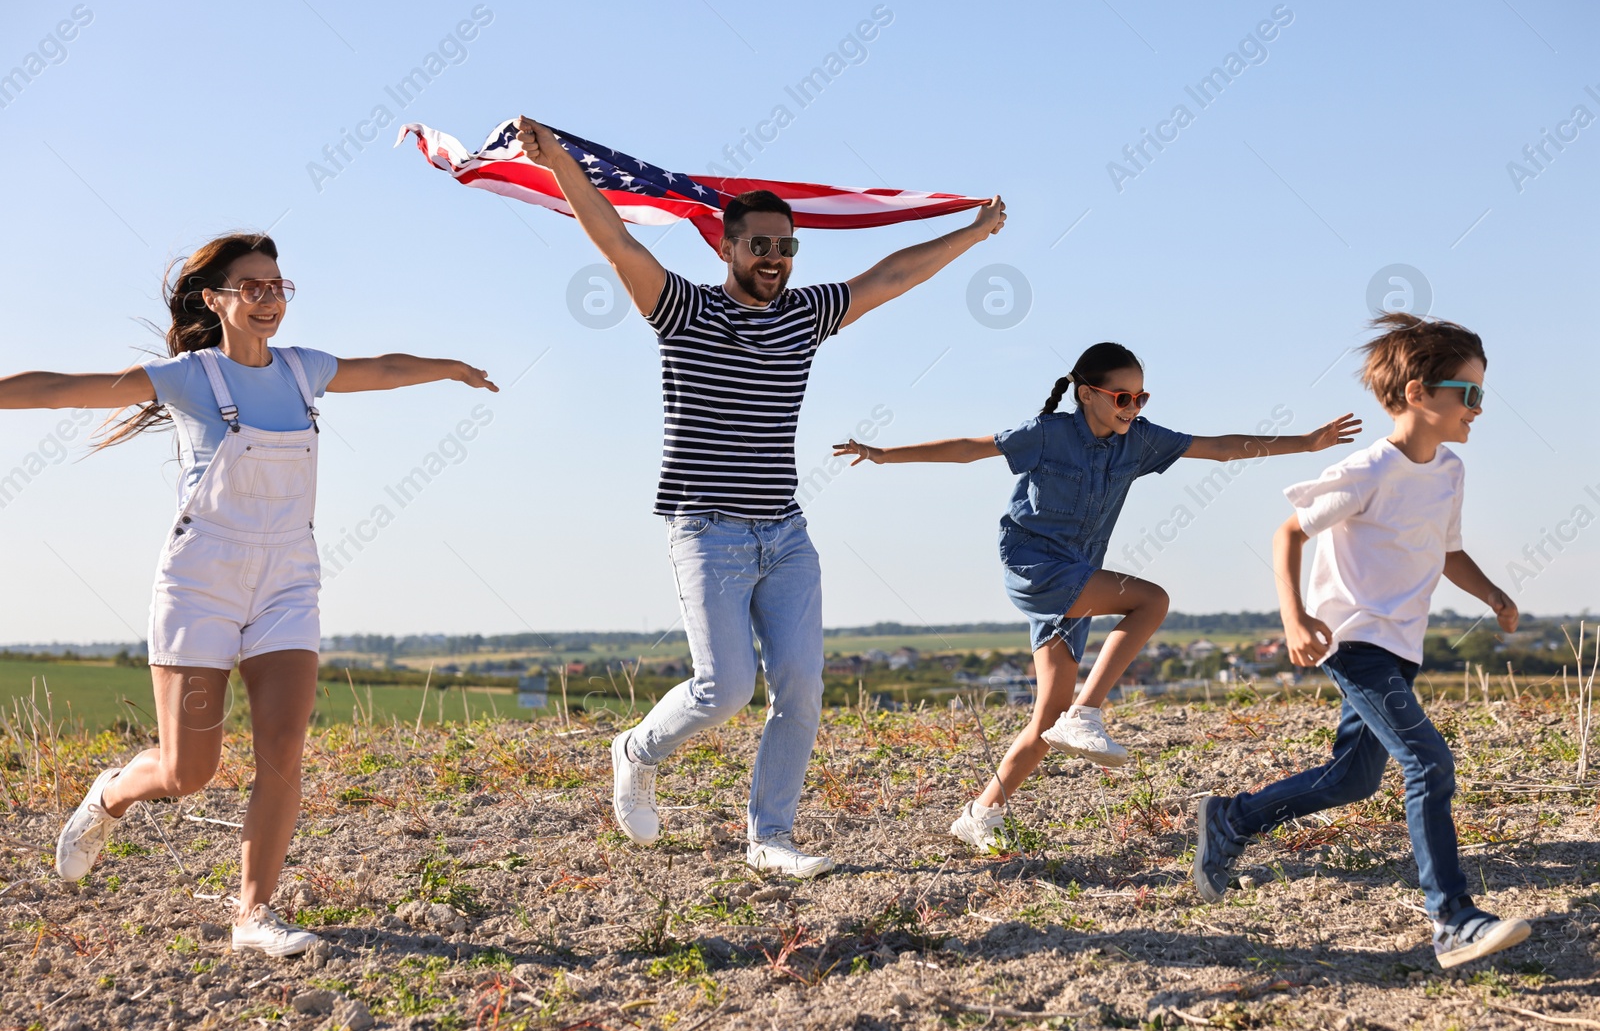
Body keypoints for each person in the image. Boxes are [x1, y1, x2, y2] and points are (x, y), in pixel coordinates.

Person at [513, 115, 1006, 878]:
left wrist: (972, 235)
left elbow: (891, 276)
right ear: (726, 246)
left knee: (801, 689)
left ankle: (770, 836)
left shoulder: (805, 316)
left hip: (786, 533)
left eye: (786, 247)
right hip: (706, 530)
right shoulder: (683, 310)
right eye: (760, 246)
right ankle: (636, 749)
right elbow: (615, 240)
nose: (774, 259)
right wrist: (559, 162)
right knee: (726, 687)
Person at [8, 232, 497, 957]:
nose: (270, 299)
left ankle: (254, 914)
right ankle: (110, 793)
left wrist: (450, 367)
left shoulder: (305, 371)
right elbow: (62, 386)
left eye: (278, 286)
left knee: (282, 751)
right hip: (200, 582)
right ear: (216, 299)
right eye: (254, 287)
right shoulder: (188, 377)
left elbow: (385, 369)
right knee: (188, 771)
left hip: (287, 582)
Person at [833, 341, 1360, 852]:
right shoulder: (1046, 433)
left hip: (1079, 575)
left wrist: (1305, 443)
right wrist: (882, 454)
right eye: (1122, 396)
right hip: (1034, 564)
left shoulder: (1142, 441)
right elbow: (971, 449)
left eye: (1141, 397)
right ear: (1088, 393)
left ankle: (981, 813)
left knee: (1047, 717)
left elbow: (1220, 448)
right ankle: (1089, 713)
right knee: (1150, 600)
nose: (1133, 406)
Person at [1193, 314, 1530, 968]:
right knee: (1427, 761)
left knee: (1351, 777)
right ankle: (1453, 917)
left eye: (1482, 395)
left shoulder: (1450, 470)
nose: (1479, 410)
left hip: (1402, 645)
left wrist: (1492, 594)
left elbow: (1448, 550)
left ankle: (1232, 818)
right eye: (1469, 394)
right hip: (1354, 639)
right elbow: (1288, 534)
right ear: (1417, 394)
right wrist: (1295, 618)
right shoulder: (1369, 468)